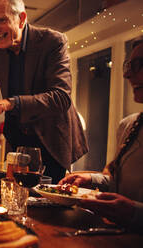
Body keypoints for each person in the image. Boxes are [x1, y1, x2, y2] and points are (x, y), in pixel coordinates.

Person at [0, 0, 88, 183]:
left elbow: (61, 97)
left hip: (50, 143)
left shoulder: (52, 42)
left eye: (2, 20)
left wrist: (9, 103)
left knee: (46, 206)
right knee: (13, 198)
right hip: (17, 141)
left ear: (21, 18)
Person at [59, 37, 143, 230]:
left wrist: (135, 212)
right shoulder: (128, 125)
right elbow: (120, 183)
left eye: (140, 64)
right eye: (129, 65)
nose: (127, 75)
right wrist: (90, 179)